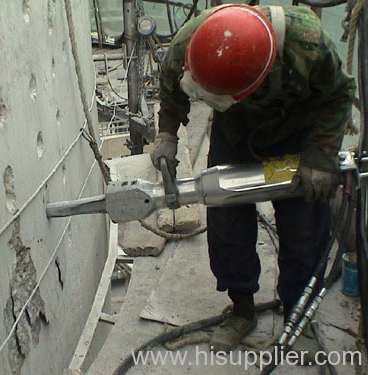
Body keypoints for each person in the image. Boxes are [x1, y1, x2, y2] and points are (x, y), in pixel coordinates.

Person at [150, 3, 356, 358]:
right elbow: (171, 88)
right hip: (235, 130)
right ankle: (241, 307)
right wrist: (167, 133)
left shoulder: (307, 43)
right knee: (227, 222)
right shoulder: (192, 42)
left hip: (296, 131)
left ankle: (298, 315)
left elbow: (337, 94)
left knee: (304, 227)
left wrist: (321, 158)